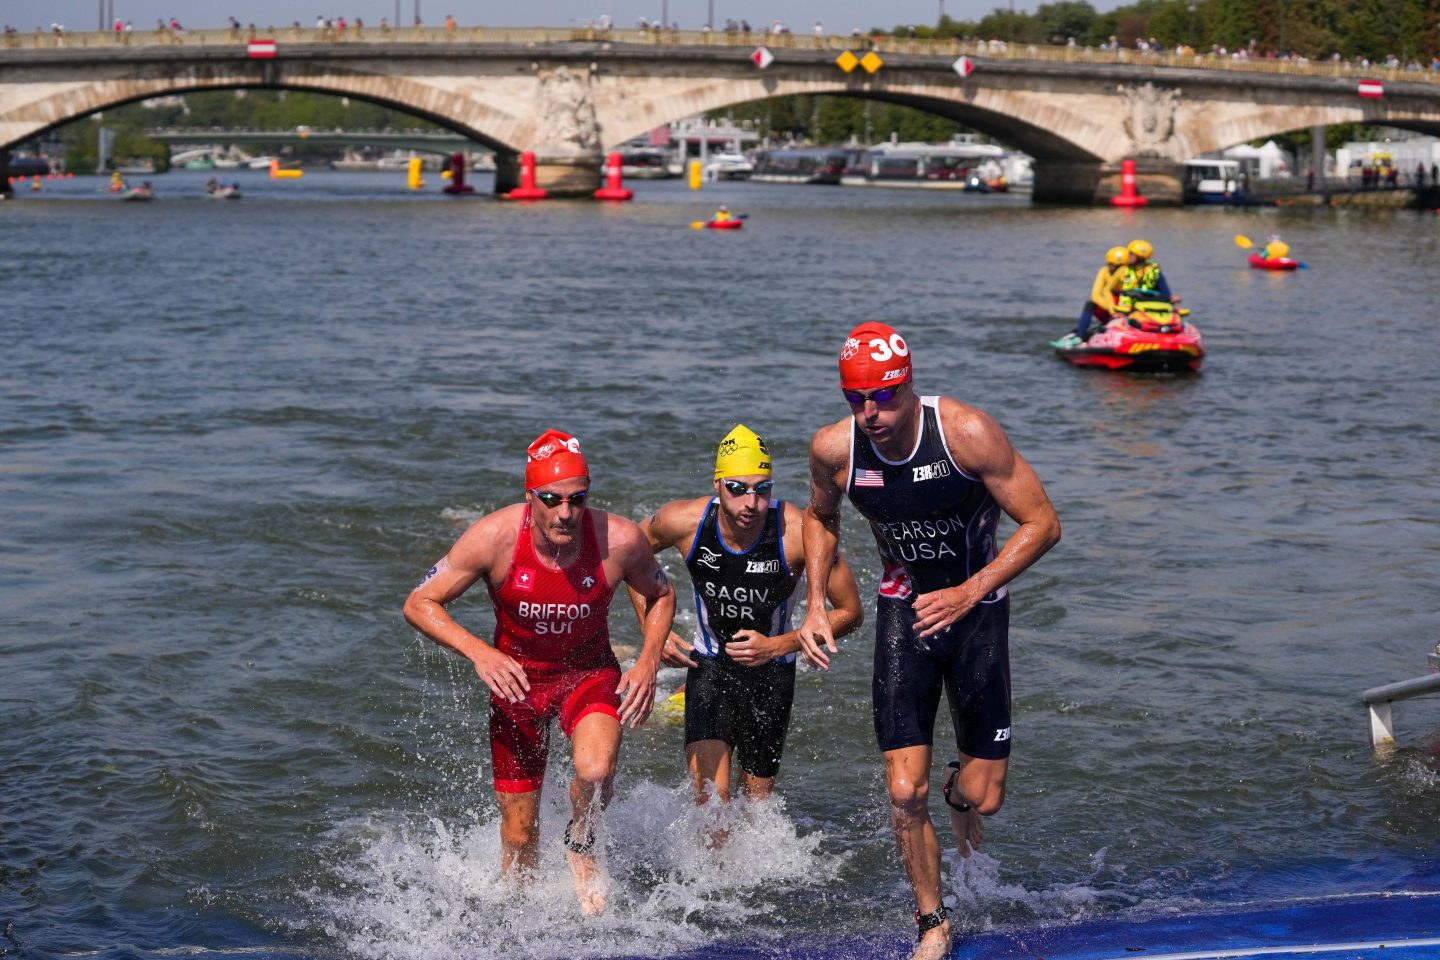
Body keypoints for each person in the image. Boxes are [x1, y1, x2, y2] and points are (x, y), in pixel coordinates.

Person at [797, 322, 1060, 960]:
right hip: (904, 614)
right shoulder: (836, 450)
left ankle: (957, 786)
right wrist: (814, 604)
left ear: (908, 384)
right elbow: (820, 517)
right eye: (856, 399)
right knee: (901, 791)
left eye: (883, 397)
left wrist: (971, 591)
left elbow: (1043, 523)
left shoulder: (968, 433)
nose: (870, 413)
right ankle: (931, 921)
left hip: (977, 617)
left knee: (982, 798)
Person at [403, 429, 676, 916]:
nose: (566, 513)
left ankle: (582, 841)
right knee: (519, 838)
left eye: (577, 500)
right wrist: (479, 653)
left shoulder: (620, 540)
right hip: (518, 684)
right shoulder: (494, 538)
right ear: (531, 497)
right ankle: (521, 924)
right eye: (552, 500)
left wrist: (650, 658)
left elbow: (661, 593)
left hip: (587, 674)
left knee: (596, 769)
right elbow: (420, 602)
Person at [629, 425, 863, 825]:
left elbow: (850, 611)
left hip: (772, 676)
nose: (751, 502)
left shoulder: (797, 533)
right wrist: (654, 629)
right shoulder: (684, 521)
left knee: (755, 811)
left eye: (762, 488)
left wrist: (779, 645)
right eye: (738, 488)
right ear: (718, 484)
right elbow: (629, 555)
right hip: (709, 667)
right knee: (711, 809)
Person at [1070, 245, 1129, 342]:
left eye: (1114, 265)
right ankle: (1080, 337)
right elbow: (1095, 295)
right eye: (1110, 264)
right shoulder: (1104, 271)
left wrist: (1122, 312)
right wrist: (1113, 312)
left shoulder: (1131, 275)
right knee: (1090, 304)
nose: (1110, 266)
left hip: (1126, 310)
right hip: (1110, 309)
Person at [1114, 238, 1175, 310]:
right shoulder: (1123, 270)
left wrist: (1171, 299)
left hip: (1148, 310)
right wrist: (1113, 311)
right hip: (1126, 310)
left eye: (1131, 253)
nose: (1127, 255)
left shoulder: (1154, 272)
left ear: (1140, 257)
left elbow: (1166, 294)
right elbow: (1109, 290)